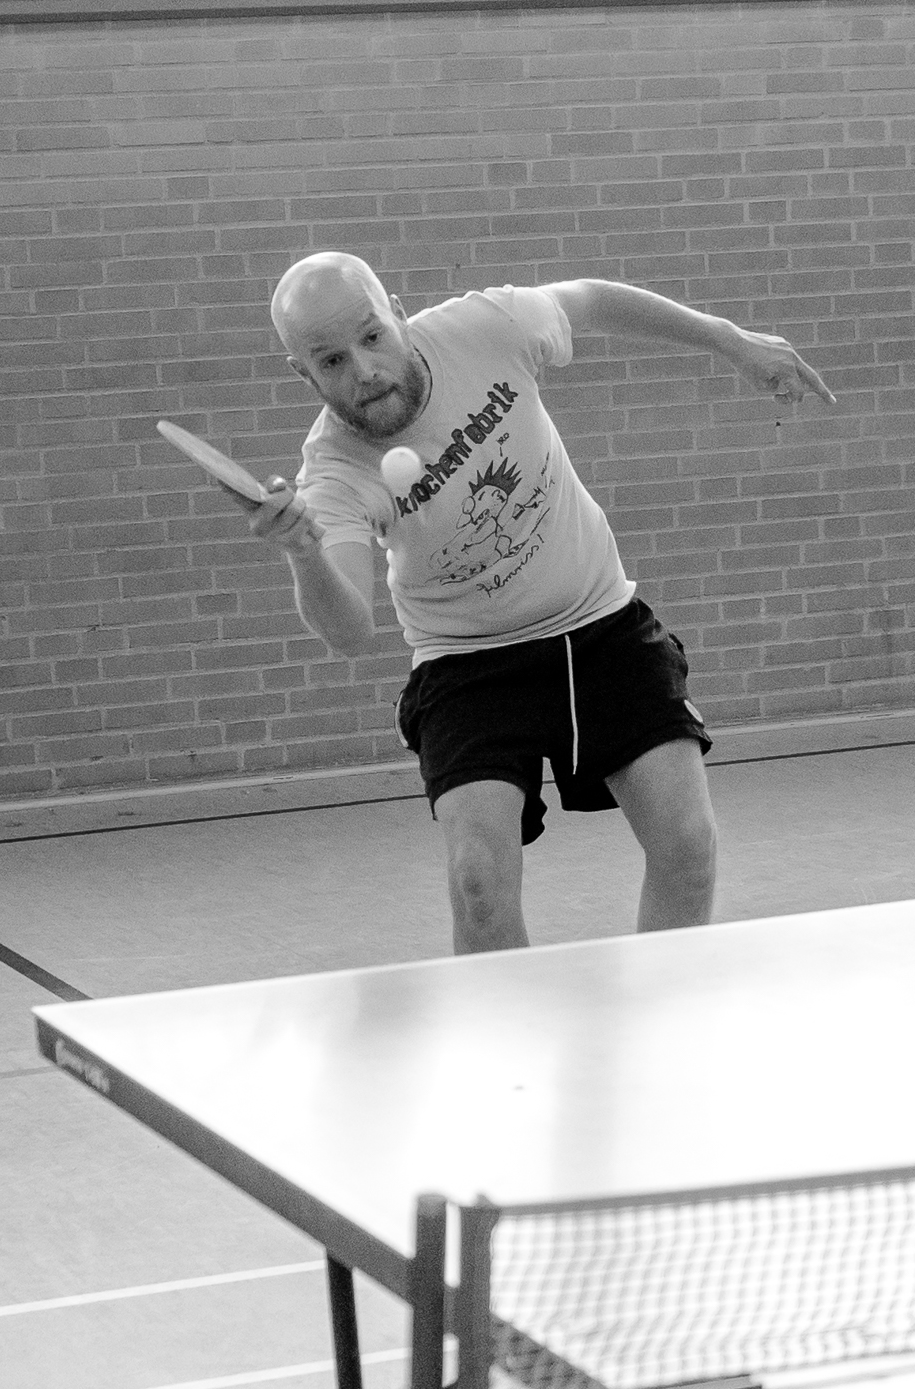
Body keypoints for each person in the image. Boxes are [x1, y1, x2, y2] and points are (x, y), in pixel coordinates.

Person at [243, 252, 833, 953]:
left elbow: (591, 299)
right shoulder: (335, 470)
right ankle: (505, 1023)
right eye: (332, 360)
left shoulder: (485, 328)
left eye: (372, 337)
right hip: (467, 663)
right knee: (478, 885)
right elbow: (348, 629)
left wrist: (732, 340)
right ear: (303, 373)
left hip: (599, 622)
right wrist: (303, 552)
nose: (364, 370)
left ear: (397, 315)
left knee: (688, 844)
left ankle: (658, 1005)